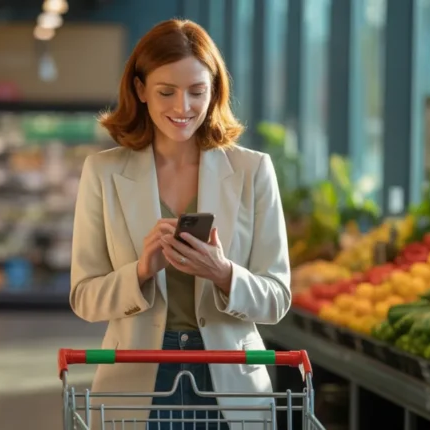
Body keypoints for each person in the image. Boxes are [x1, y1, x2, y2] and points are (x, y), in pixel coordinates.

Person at [69, 19, 291, 430]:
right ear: (140, 91)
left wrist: (223, 274)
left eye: (197, 91)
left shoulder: (252, 170)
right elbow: (84, 297)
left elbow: (277, 298)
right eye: (166, 92)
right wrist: (140, 271)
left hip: (229, 378)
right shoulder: (102, 172)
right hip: (136, 379)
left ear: (215, 91)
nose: (182, 107)